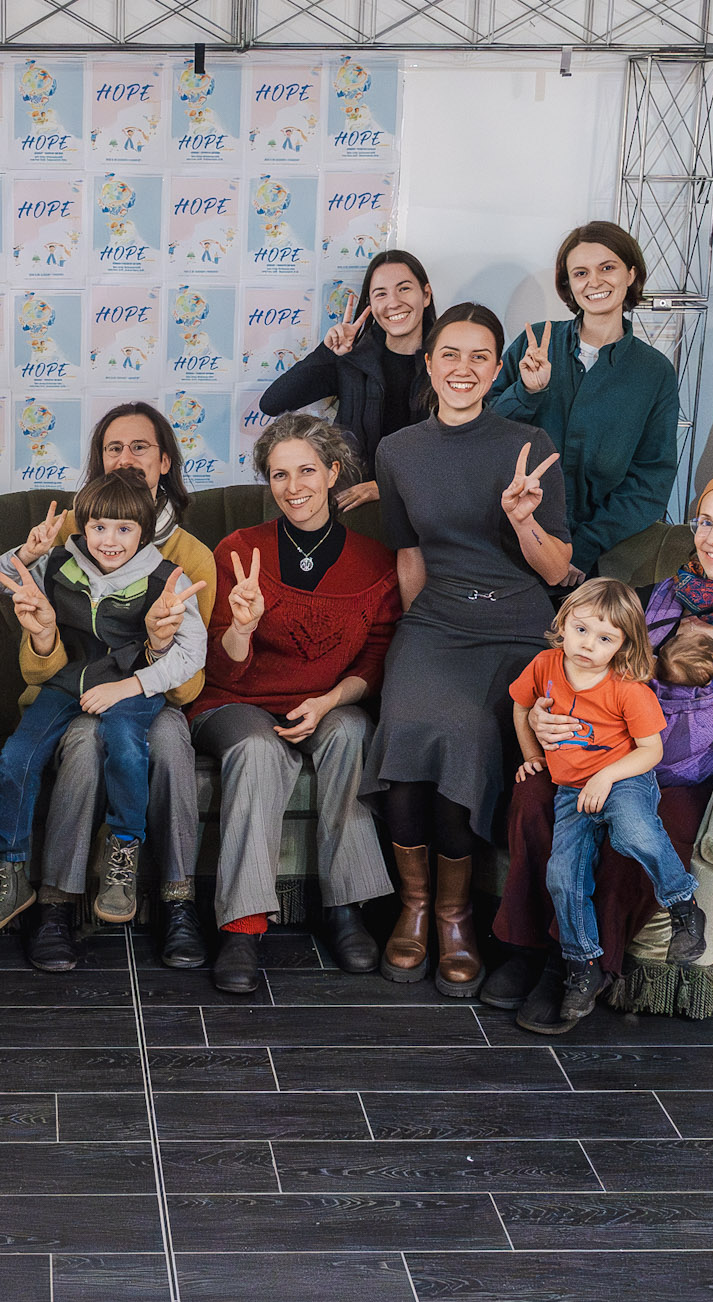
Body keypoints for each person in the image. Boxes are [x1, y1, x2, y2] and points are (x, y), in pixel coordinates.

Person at [488, 469, 713, 1033]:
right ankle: (526, 947)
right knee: (533, 793)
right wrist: (541, 715)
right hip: (612, 746)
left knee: (642, 825)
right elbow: (583, 669)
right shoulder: (658, 597)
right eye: (705, 522)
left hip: (697, 770)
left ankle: (577, 966)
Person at [363, 303, 570, 999]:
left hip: (516, 622)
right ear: (428, 363)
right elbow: (409, 555)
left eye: (481, 356)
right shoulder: (398, 451)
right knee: (406, 721)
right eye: (450, 354)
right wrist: (416, 636)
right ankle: (415, 906)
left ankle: (454, 917)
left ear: (496, 368)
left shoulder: (529, 442)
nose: (463, 368)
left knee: (469, 731)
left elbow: (555, 571)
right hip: (437, 622)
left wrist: (523, 521)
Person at [0, 403, 219, 971]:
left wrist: (155, 649)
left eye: (140, 447)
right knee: (81, 743)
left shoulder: (189, 557)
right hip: (74, 689)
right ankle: (56, 903)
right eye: (113, 448)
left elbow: (188, 684)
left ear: (165, 461)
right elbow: (36, 667)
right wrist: (44, 633)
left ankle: (177, 901)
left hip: (151, 693)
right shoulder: (70, 540)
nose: (126, 458)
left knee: (167, 742)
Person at [191, 413, 403, 993]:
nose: (293, 487)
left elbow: (376, 662)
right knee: (258, 749)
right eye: (280, 475)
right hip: (234, 702)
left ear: (333, 474)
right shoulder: (239, 550)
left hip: (328, 703)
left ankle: (346, 910)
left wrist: (329, 700)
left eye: (306, 471)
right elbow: (216, 668)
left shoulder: (376, 562)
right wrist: (242, 626)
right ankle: (242, 927)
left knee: (352, 731)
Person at [511, 578, 708, 1022]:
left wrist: (605, 776)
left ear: (623, 645)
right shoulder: (544, 665)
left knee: (634, 832)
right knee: (563, 875)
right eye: (581, 630)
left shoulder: (628, 688)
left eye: (605, 639)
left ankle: (683, 905)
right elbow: (521, 706)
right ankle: (582, 966)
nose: (588, 645)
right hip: (571, 791)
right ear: (563, 623)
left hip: (625, 778)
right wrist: (531, 755)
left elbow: (651, 751)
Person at [488, 221, 680, 576]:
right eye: (580, 273)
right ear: (569, 284)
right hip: (511, 539)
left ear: (630, 274)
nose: (594, 282)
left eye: (607, 268)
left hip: (601, 561)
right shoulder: (534, 344)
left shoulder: (654, 372)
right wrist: (527, 392)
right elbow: (484, 436)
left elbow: (650, 481)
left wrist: (581, 549)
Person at [260, 249, 436, 509]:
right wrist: (328, 351)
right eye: (381, 294)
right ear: (370, 304)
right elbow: (272, 402)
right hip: (354, 508)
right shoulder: (352, 361)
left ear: (426, 295)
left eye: (404, 289)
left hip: (422, 506)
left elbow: (454, 451)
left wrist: (384, 487)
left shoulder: (447, 364)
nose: (393, 302)